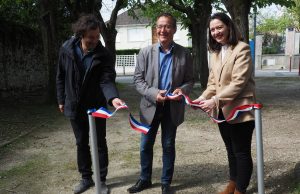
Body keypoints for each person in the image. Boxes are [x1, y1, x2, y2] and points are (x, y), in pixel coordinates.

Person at [56, 14, 124, 194]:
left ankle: (101, 180)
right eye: (91, 38)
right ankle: (85, 178)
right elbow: (60, 76)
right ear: (81, 35)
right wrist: (61, 99)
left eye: (97, 37)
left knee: (100, 143)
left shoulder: (104, 55)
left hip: (97, 106)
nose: (95, 40)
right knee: (81, 142)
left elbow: (107, 80)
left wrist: (112, 98)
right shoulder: (66, 49)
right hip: (74, 105)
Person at [127, 13, 194, 194]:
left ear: (174, 29)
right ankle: (145, 179)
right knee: (145, 145)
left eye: (167, 26)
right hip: (150, 106)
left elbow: (190, 80)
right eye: (159, 26)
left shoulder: (184, 53)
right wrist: (154, 94)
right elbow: (138, 80)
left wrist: (183, 90)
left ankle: (166, 183)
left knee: (168, 145)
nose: (163, 30)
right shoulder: (145, 52)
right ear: (156, 29)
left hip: (172, 107)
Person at [193, 12, 256, 194]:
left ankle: (240, 189)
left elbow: (238, 82)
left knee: (241, 152)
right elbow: (213, 83)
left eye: (219, 27)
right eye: (212, 29)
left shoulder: (242, 49)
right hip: (221, 111)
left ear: (229, 27)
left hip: (240, 110)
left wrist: (214, 100)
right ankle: (232, 183)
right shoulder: (216, 53)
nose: (216, 32)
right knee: (230, 150)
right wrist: (202, 98)